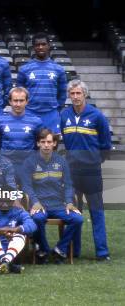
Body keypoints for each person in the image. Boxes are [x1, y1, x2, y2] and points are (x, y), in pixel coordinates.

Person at [60, 79, 111, 261]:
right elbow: (66, 142)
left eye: (78, 93)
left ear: (85, 94)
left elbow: (106, 145)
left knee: (96, 211)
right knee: (74, 212)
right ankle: (76, 251)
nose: (75, 97)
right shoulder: (64, 115)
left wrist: (94, 161)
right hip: (72, 172)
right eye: (72, 94)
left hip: (91, 172)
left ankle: (102, 252)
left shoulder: (97, 116)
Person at [20, 129, 83, 264]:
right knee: (37, 218)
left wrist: (69, 202)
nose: (46, 145)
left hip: (59, 205)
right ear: (38, 143)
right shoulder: (30, 162)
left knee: (77, 219)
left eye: (49, 142)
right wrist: (35, 202)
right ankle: (43, 250)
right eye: (43, 142)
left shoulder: (61, 161)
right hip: (40, 205)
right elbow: (26, 186)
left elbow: (68, 185)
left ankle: (60, 249)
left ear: (54, 143)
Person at [0, 87, 44, 185]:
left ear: (27, 101)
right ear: (10, 101)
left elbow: (38, 145)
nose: (18, 104)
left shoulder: (36, 122)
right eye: (15, 101)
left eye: (21, 101)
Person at [17, 32, 67, 133]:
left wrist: (56, 108)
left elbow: (62, 93)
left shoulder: (59, 69)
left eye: (43, 44)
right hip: (30, 113)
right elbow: (19, 93)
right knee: (31, 145)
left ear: (48, 46)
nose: (40, 47)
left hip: (51, 114)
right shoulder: (24, 69)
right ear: (33, 47)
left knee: (51, 145)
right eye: (37, 45)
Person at [0, 186, 36, 274]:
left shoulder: (19, 212)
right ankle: (7, 263)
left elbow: (32, 225)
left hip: (14, 253)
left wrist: (14, 229)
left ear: (13, 200)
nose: (5, 204)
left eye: (8, 201)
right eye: (2, 201)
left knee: (20, 233)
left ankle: (5, 262)